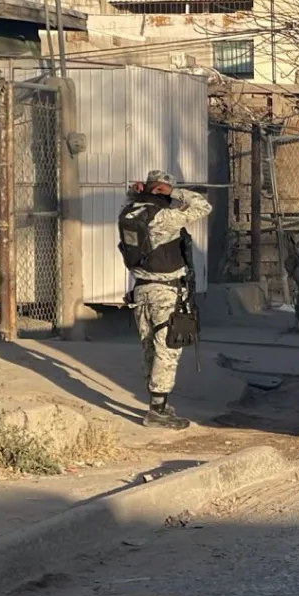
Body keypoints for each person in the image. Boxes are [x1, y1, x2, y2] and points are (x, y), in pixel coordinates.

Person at [118, 171, 212, 430]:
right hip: (164, 291)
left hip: (141, 290)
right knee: (168, 349)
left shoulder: (130, 212)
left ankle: (156, 404)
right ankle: (158, 412)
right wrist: (173, 193)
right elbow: (203, 205)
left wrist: (139, 193)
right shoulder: (164, 217)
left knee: (150, 347)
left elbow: (132, 202)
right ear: (161, 190)